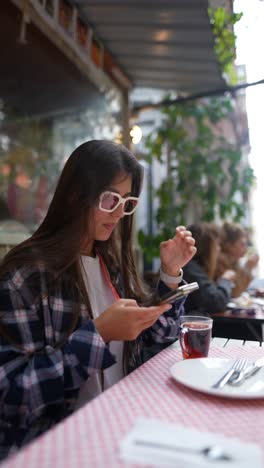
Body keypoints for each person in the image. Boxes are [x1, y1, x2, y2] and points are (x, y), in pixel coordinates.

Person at [0, 140, 196, 460]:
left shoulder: (111, 265)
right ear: (76, 196)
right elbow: (13, 393)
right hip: (57, 446)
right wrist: (99, 335)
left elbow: (157, 341)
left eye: (127, 202)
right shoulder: (25, 276)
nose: (119, 213)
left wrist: (171, 273)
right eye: (110, 199)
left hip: (121, 427)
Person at [182, 222, 235, 316]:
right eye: (217, 245)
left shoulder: (194, 267)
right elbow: (215, 302)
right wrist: (225, 280)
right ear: (207, 247)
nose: (219, 249)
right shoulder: (190, 268)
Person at [214, 222, 259, 298]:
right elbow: (235, 293)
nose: (246, 248)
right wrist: (248, 268)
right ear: (229, 245)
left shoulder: (234, 262)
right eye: (242, 244)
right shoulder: (219, 263)